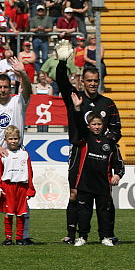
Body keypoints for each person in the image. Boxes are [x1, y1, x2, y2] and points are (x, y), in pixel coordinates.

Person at [57, 51, 122, 244]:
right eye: (89, 81)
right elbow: (61, 81)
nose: (93, 84)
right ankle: (72, 234)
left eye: (95, 80)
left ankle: (108, 234)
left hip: (100, 155)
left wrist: (101, 141)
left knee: (105, 197)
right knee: (75, 193)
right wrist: (62, 63)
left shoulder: (108, 104)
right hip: (79, 152)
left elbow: (117, 131)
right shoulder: (75, 98)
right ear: (82, 82)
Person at [0, 59, 32, 245]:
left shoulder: (18, 101)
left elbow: (28, 90)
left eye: (6, 86)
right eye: (0, 87)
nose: (3, 90)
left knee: (22, 195)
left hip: (19, 155)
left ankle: (24, 236)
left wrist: (23, 73)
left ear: (11, 86)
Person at [70, 92, 125, 247]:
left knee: (104, 212)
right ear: (88, 126)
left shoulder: (110, 142)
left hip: (103, 184)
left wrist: (118, 175)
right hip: (85, 182)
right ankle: (82, 237)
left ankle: (105, 237)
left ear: (103, 125)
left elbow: (119, 162)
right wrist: (77, 108)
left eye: (99, 124)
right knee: (84, 212)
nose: (96, 127)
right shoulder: (84, 138)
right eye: (93, 124)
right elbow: (78, 123)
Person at [0, 125, 35, 245]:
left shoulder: (24, 154)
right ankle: (8, 238)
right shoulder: (4, 154)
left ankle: (20, 238)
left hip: (21, 187)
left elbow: (29, 171)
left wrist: (30, 189)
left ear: (19, 139)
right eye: (10, 139)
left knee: (21, 213)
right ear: (5, 140)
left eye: (15, 138)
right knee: (8, 214)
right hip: (8, 187)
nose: (13, 141)